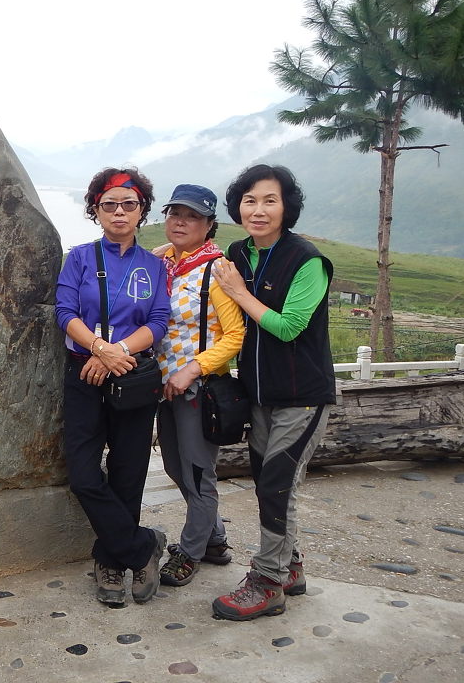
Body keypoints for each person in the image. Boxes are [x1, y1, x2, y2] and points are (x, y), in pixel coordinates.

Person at [210, 164, 335, 621]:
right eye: (250, 200)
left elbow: (288, 327)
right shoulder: (239, 252)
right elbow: (206, 263)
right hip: (259, 394)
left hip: (303, 396)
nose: (258, 210)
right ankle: (290, 567)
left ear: (286, 208)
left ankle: (267, 582)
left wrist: (240, 292)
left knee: (277, 484)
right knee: (268, 484)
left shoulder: (307, 261)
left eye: (270, 200)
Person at [55, 167, 171, 606]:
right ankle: (142, 547)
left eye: (129, 204)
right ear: (96, 210)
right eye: (109, 205)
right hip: (84, 372)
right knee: (84, 476)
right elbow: (65, 312)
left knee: (129, 472)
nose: (119, 212)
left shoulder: (154, 266)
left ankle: (110, 560)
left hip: (133, 375)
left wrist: (116, 352)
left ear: (142, 211)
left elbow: (157, 322)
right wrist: (100, 350)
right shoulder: (80, 258)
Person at [154, 184, 245, 588]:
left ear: (209, 225)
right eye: (175, 213)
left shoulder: (217, 271)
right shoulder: (167, 264)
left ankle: (189, 553)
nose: (181, 222)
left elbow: (235, 335)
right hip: (164, 386)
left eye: (192, 216)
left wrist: (192, 370)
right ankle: (215, 540)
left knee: (196, 473)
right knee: (175, 468)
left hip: (198, 388)